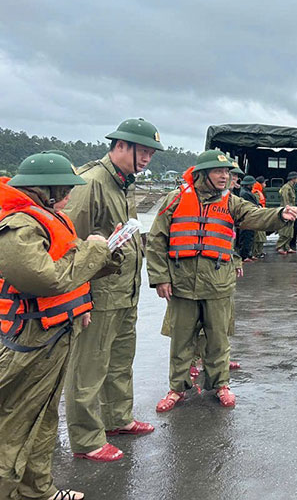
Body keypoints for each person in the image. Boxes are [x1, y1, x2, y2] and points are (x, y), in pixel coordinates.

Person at [0, 152, 119, 500]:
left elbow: (72, 266)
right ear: (47, 190)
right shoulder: (19, 226)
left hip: (53, 336)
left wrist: (109, 252)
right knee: (14, 425)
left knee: (42, 419)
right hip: (29, 340)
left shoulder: (49, 219)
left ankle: (37, 491)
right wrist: (95, 250)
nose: (69, 195)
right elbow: (47, 279)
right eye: (65, 188)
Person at [147, 151, 297, 411]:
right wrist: (160, 277)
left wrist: (279, 214)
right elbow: (155, 240)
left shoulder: (231, 202)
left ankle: (221, 385)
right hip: (182, 284)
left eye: (228, 173)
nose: (225, 177)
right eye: (219, 172)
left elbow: (255, 215)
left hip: (218, 282)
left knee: (219, 338)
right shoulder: (174, 200)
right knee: (181, 340)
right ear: (202, 174)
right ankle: (177, 388)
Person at [63, 118, 163, 464]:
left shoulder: (122, 184)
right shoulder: (92, 182)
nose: (148, 158)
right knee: (88, 369)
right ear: (121, 146)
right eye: (143, 151)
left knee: (120, 362)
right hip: (98, 295)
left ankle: (117, 419)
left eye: (151, 152)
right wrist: (77, 299)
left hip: (124, 292)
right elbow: (66, 243)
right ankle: (86, 438)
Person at [236, 176, 260, 261]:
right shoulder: (245, 193)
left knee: (250, 237)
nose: (253, 185)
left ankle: (248, 254)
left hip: (249, 217)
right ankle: (244, 255)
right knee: (246, 237)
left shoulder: (246, 192)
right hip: (247, 218)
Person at [276, 171, 297, 255]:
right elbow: (286, 200)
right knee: (285, 229)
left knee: (290, 230)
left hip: (291, 210)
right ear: (293, 179)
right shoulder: (286, 188)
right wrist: (287, 210)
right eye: (296, 178)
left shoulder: (291, 187)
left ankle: (287, 247)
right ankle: (280, 246)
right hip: (287, 211)